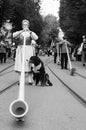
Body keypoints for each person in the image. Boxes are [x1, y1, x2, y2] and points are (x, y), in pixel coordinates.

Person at [13, 19, 38, 84]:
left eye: (26, 24)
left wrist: (30, 32)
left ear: (28, 25)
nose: (25, 26)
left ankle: (30, 80)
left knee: (29, 64)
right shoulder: (19, 32)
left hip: (28, 50)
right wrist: (21, 31)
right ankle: (20, 80)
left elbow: (36, 38)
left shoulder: (30, 33)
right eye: (24, 24)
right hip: (21, 50)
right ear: (22, 25)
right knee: (20, 64)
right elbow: (13, 35)